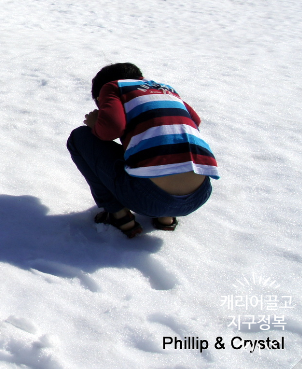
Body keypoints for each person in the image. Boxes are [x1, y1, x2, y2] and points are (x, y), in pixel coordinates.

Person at [66, 63, 218, 238]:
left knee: (80, 137)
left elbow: (112, 128)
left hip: (147, 199)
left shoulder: (112, 87)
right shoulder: (166, 89)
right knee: (157, 147)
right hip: (199, 195)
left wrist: (96, 124)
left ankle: (119, 216)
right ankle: (166, 218)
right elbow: (195, 121)